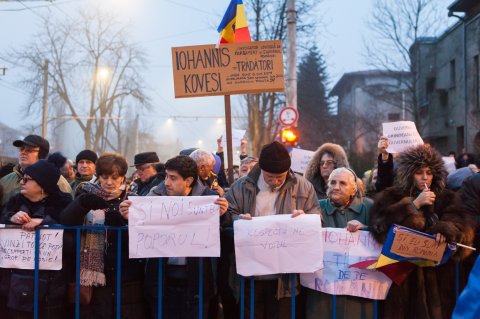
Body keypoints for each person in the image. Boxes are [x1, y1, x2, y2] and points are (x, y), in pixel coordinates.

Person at [369, 144, 475, 319]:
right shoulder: (393, 196)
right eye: (419, 172)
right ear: (409, 174)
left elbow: (464, 230)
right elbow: (379, 227)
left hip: (440, 284)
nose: (425, 177)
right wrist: (413, 205)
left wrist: (446, 231)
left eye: (429, 172)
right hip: (405, 283)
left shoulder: (447, 197)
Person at [119, 155, 228, 319]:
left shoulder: (208, 199)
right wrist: (128, 216)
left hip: (197, 283)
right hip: (161, 281)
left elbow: (222, 232)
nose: (167, 182)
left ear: (188, 180)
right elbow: (140, 228)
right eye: (166, 176)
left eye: (173, 178)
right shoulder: (154, 196)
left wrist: (222, 215)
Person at [223, 141, 321, 319]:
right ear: (261, 169)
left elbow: (316, 216)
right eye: (269, 177)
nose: (275, 181)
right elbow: (227, 216)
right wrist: (238, 220)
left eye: (280, 177)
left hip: (285, 277)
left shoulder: (303, 186)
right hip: (251, 273)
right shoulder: (242, 186)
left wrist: (305, 219)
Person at [60, 153, 147, 319]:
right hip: (94, 272)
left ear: (123, 177)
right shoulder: (85, 192)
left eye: (115, 177)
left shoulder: (133, 199)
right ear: (98, 176)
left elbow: (143, 235)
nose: (109, 182)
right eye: (105, 177)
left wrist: (127, 219)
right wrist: (82, 204)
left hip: (126, 272)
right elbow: (67, 221)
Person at [0, 153, 73, 319]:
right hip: (15, 284)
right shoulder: (15, 201)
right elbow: (3, 223)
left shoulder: (63, 204)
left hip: (50, 287)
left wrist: (45, 223)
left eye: (27, 179)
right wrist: (11, 218)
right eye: (22, 178)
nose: (21, 182)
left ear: (42, 184)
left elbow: (70, 242)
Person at [305, 167, 373, 319]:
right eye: (332, 182)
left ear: (354, 188)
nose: (336, 187)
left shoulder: (369, 207)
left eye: (342, 183)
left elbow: (383, 234)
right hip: (323, 291)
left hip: (359, 291)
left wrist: (366, 229)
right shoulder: (315, 207)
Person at [0, 135, 71, 205]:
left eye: (29, 150)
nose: (23, 152)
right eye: (21, 149)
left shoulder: (59, 182)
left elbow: (67, 213)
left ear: (42, 155)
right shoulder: (5, 181)